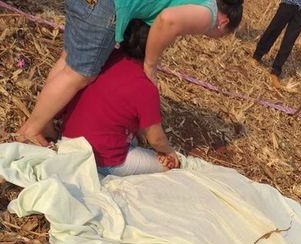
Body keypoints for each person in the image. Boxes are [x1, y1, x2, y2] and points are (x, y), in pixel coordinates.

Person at [17, 0, 244, 146]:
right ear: (224, 23)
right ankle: (32, 129)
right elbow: (167, 20)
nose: (214, 35)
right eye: (221, 34)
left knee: (69, 59)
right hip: (106, 7)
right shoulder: (210, 15)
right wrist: (151, 64)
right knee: (80, 73)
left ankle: (45, 122)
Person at [59, 19, 178, 176]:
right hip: (102, 159)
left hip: (70, 138)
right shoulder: (146, 88)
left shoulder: (107, 56)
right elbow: (156, 139)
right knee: (167, 165)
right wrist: (169, 152)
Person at [252, 0, 301, 87]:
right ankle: (257, 56)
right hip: (289, 2)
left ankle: (275, 72)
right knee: (273, 29)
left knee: (289, 41)